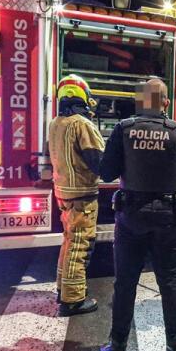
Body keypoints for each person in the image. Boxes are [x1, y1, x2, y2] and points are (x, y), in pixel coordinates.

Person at [99, 78, 176, 351]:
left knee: (125, 284)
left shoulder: (124, 129)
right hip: (167, 218)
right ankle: (174, 350)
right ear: (165, 103)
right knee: (169, 282)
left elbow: (106, 173)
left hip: (131, 217)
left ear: (141, 102)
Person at [48, 74, 105, 317]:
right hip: (82, 193)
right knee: (80, 245)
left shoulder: (55, 123)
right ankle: (72, 301)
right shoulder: (82, 125)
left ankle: (63, 288)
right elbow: (99, 161)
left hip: (63, 191)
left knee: (69, 241)